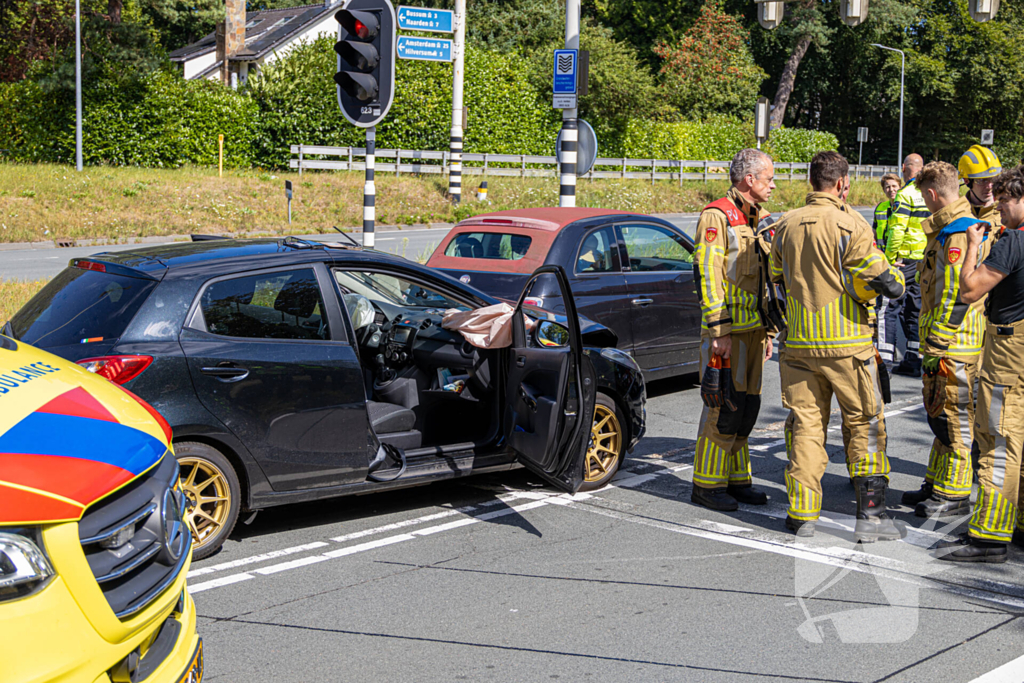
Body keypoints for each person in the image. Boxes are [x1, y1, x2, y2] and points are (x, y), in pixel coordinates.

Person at [770, 151, 905, 539]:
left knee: (806, 428)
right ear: (843, 183)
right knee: (864, 424)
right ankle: (871, 518)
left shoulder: (786, 225)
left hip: (798, 345)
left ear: (811, 182)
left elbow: (777, 277)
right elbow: (881, 279)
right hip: (848, 346)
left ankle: (802, 515)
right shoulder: (852, 225)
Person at [938, 165, 1024, 563]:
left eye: (1007, 199)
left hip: (1008, 353)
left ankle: (989, 537)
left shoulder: (1012, 243)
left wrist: (974, 245)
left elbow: (970, 289)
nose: (1001, 206)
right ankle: (1017, 524)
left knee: (997, 439)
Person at [900, 161, 992, 518]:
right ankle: (936, 484)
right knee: (940, 414)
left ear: (932, 194)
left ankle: (953, 497)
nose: (924, 203)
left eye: (924, 197)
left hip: (956, 346)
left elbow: (958, 293)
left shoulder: (957, 233)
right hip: (947, 344)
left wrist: (938, 342)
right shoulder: (950, 228)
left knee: (953, 419)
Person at [691, 148, 777, 511]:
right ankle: (707, 486)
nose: (773, 184)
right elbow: (708, 276)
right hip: (727, 335)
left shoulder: (762, 218)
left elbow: (772, 279)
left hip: (755, 332)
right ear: (749, 180)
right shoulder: (717, 217)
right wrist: (719, 330)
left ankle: (737, 480)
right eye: (769, 178)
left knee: (747, 409)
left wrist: (770, 331)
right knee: (723, 408)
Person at [879, 154, 929, 376]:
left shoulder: (906, 195)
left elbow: (897, 229)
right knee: (914, 309)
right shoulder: (928, 193)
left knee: (887, 309)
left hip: (904, 261)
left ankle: (884, 363)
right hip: (924, 260)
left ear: (904, 169)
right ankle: (913, 360)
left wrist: (889, 259)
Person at [874, 173, 902, 249]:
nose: (891, 189)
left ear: (900, 187)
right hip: (880, 252)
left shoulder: (905, 206)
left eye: (894, 186)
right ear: (884, 190)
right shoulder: (880, 207)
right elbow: (874, 230)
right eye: (887, 187)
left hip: (898, 253)